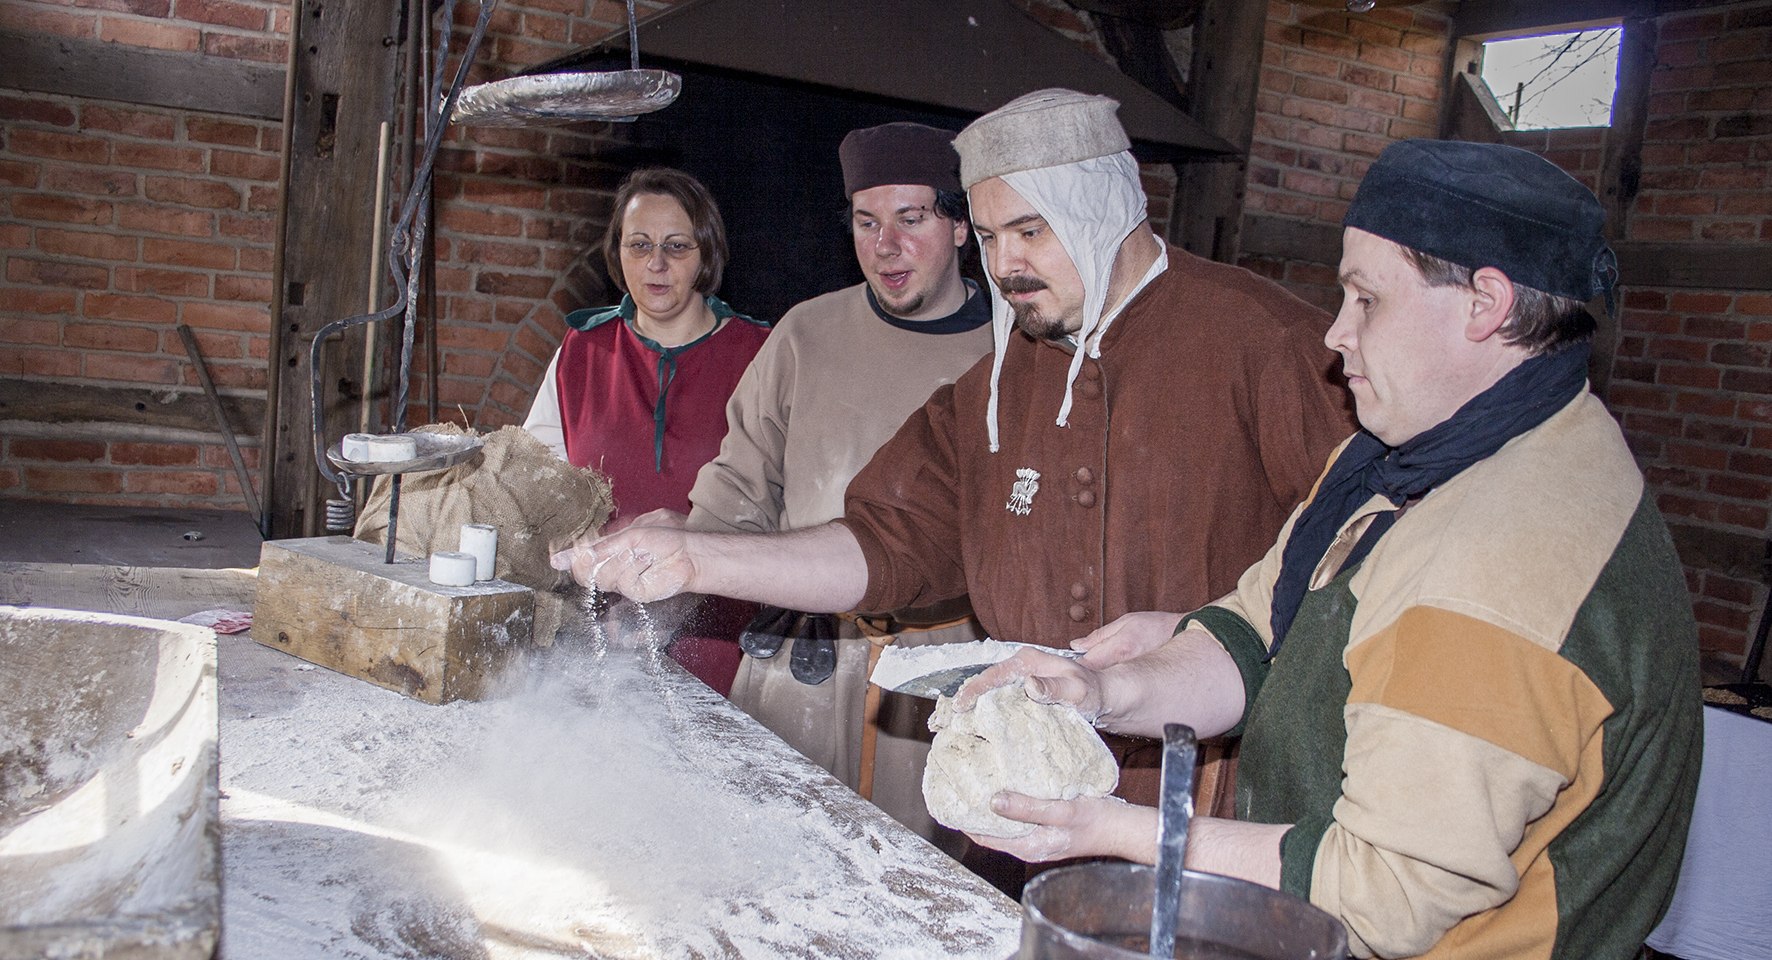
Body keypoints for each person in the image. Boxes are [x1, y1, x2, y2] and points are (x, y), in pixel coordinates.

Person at [955, 139, 1703, 959]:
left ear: (1485, 303)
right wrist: (1101, 689)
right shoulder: (1406, 450)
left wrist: (1121, 830)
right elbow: (1260, 630)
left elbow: (1382, 896)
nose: (1334, 336)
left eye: (1365, 300)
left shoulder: (1497, 568)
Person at [553, 89, 1354, 814]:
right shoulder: (1000, 381)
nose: (1005, 266)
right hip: (1010, 796)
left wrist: (1208, 636)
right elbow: (885, 543)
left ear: (1101, 209)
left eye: (1030, 232)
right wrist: (696, 561)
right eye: (996, 236)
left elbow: (1369, 565)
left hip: (1191, 800)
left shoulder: (1265, 344)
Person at [682, 122, 994, 838]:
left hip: (936, 693)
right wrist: (669, 564)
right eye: (866, 221)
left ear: (960, 226)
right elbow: (737, 490)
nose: (885, 244)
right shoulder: (806, 334)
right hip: (797, 667)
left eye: (910, 220)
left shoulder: (1012, 352)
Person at [524, 167, 770, 693]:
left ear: (706, 253)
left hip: (724, 641)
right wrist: (570, 531)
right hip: (596, 636)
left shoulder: (761, 355)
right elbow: (534, 481)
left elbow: (788, 503)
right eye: (639, 245)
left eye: (676, 246)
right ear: (618, 253)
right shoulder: (581, 352)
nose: (656, 264)